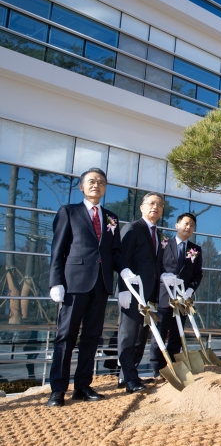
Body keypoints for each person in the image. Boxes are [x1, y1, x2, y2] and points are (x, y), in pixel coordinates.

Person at [46, 168, 134, 407]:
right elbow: (58, 250)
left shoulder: (111, 218)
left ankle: (83, 386)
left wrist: (123, 271)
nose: (97, 185)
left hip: (101, 284)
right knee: (66, 336)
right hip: (74, 283)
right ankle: (58, 389)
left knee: (92, 336)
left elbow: (115, 252)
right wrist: (56, 281)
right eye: (91, 181)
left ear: (105, 188)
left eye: (101, 182)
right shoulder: (69, 212)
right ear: (82, 187)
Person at [117, 192, 164, 393]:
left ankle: (128, 375)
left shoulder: (159, 234)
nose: (155, 207)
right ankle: (129, 379)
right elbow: (122, 260)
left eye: (159, 205)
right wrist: (123, 290)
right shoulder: (132, 228)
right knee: (128, 336)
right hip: (133, 293)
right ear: (142, 207)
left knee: (140, 336)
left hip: (150, 294)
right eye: (151, 203)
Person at [152, 213, 203, 376]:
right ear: (177, 225)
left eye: (192, 225)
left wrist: (189, 291)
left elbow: (197, 274)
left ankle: (174, 369)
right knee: (159, 334)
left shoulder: (195, 249)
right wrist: (162, 276)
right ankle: (157, 370)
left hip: (182, 300)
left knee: (177, 335)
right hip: (164, 297)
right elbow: (156, 266)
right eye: (186, 223)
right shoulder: (164, 243)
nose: (188, 227)